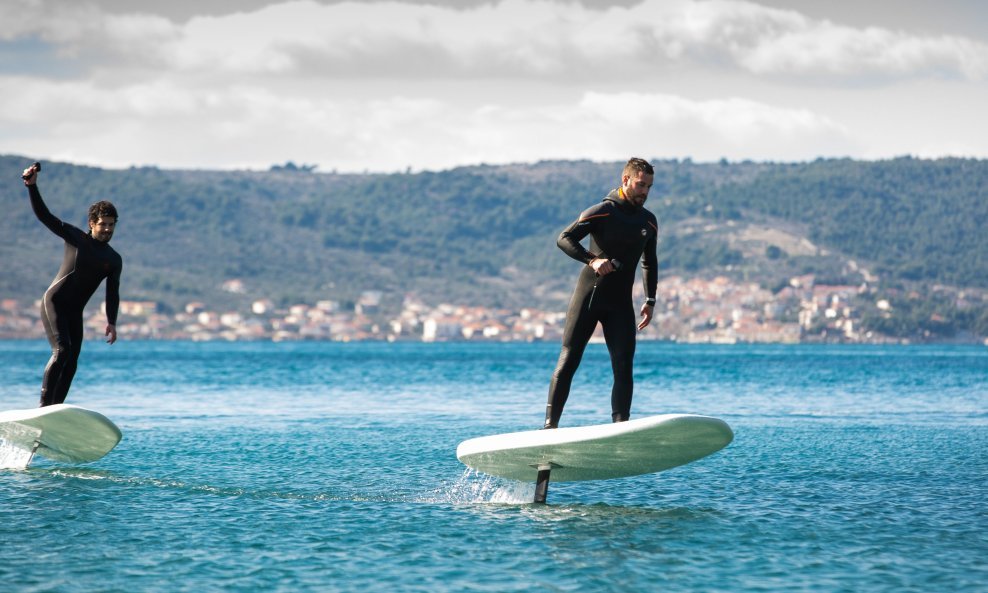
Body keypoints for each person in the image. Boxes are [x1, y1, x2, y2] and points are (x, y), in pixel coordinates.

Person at [543, 157, 658, 429]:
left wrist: (650, 299)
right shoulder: (603, 211)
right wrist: (592, 260)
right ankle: (550, 426)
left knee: (623, 366)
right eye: (640, 185)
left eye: (649, 187)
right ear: (625, 180)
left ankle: (620, 428)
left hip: (620, 303)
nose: (644, 191)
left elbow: (649, 261)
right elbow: (564, 238)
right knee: (569, 359)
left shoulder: (648, 221)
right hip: (590, 296)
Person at [22, 162, 123, 407]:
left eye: (111, 224)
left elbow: (113, 293)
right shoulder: (77, 239)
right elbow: (45, 217)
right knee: (62, 351)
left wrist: (111, 321)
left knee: (73, 360)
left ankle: (56, 412)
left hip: (74, 311)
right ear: (92, 223)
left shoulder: (113, 259)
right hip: (55, 302)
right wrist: (32, 186)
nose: (107, 228)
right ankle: (43, 408)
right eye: (103, 224)